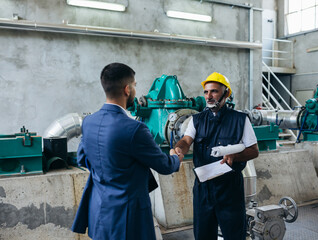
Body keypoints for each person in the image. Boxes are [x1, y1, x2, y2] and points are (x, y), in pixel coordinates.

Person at [71, 62, 183, 240]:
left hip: (98, 212)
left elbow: (82, 159)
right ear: (127, 89)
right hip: (127, 218)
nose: (135, 91)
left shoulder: (89, 122)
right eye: (135, 86)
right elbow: (164, 166)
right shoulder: (135, 129)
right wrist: (175, 157)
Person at [173, 72, 259, 240]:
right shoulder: (196, 120)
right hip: (203, 189)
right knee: (203, 235)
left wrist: (235, 155)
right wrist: (179, 149)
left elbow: (254, 150)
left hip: (230, 189)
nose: (209, 96)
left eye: (214, 91)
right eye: (206, 92)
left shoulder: (240, 120)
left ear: (226, 93)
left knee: (234, 235)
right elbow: (186, 139)